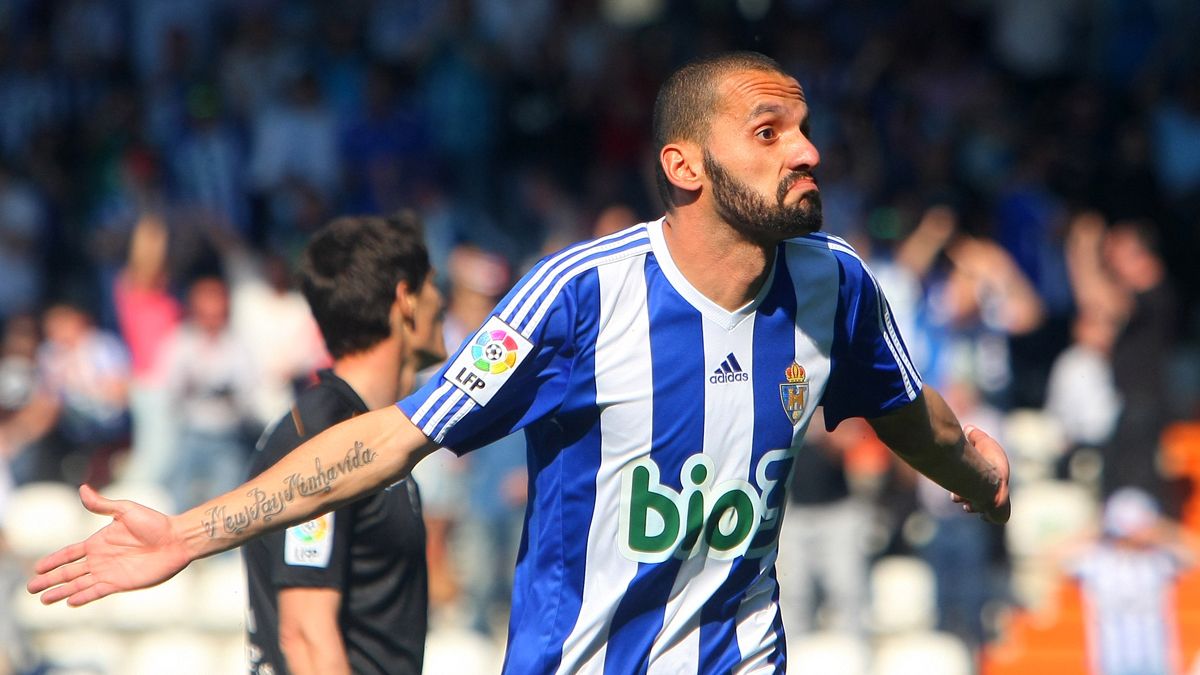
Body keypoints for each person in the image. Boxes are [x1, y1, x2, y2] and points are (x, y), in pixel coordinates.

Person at [27, 52, 1010, 674]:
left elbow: (910, 414)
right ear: (684, 166)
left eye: (803, 128)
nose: (806, 152)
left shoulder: (838, 284)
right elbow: (393, 436)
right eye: (768, 132)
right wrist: (190, 533)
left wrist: (978, 470)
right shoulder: (578, 294)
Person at [243, 213, 445, 675]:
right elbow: (307, 638)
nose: (444, 301)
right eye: (434, 285)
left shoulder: (366, 430)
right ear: (405, 300)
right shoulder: (321, 440)